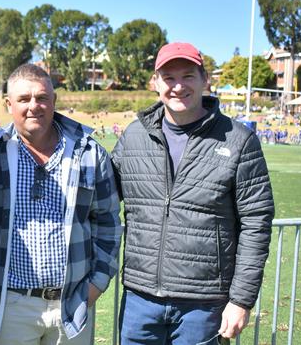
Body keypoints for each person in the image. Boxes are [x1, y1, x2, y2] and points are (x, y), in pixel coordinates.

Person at [111, 42, 275, 344]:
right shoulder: (134, 136)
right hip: (140, 299)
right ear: (155, 82)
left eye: (188, 76)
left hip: (203, 305)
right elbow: (99, 198)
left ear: (205, 80)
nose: (178, 86)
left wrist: (241, 300)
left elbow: (256, 223)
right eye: (169, 77)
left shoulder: (239, 140)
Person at [0, 64, 122, 344]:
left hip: (72, 303)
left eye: (42, 97)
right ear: (8, 104)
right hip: (11, 305)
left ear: (54, 101)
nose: (34, 106)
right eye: (24, 99)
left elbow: (109, 225)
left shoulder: (89, 153)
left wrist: (95, 287)